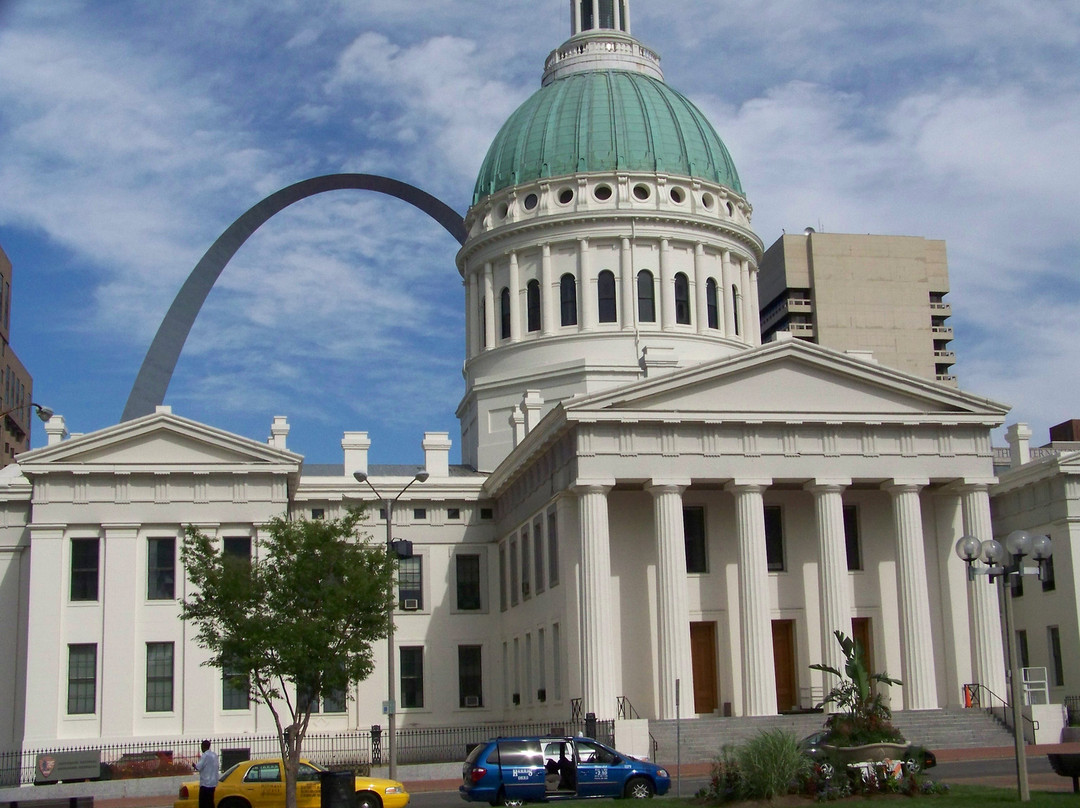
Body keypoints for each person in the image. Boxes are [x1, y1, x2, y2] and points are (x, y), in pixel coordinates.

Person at [195, 740, 220, 808]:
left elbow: (198, 767)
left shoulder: (205, 755)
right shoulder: (214, 755)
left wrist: (194, 765)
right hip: (213, 783)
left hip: (205, 783)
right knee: (210, 801)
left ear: (203, 746)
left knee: (203, 803)